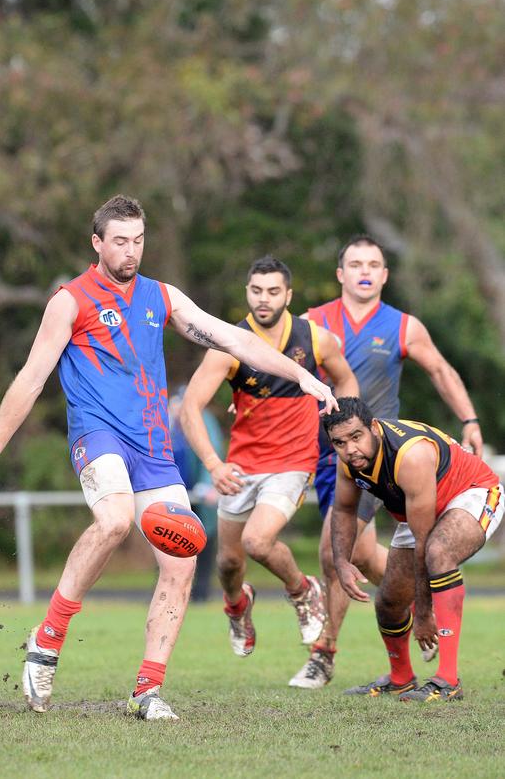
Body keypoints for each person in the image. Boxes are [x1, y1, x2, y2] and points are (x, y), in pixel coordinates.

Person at [0, 196, 337, 721]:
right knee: (114, 520)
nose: (131, 251)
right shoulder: (69, 301)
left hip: (154, 447)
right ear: (97, 242)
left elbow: (230, 336)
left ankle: (146, 690)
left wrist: (301, 375)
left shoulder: (160, 296)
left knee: (181, 562)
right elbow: (30, 379)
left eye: (138, 240)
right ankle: (46, 642)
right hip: (98, 434)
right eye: (120, 240)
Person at [289, 234, 484, 688]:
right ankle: (413, 592)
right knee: (364, 557)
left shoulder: (402, 326)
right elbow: (277, 368)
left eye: (373, 264)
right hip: (322, 452)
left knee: (331, 549)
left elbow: (439, 369)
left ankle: (325, 652)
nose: (364, 270)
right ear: (340, 274)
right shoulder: (312, 322)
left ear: (384, 275)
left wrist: (469, 418)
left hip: (380, 458)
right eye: (355, 263)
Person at [180, 255, 357, 658]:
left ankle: (301, 590)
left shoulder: (314, 339)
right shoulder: (229, 344)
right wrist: (214, 464)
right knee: (228, 564)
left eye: (274, 291)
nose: (264, 299)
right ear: (247, 292)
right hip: (242, 466)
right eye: (257, 290)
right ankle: (237, 607)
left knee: (258, 542)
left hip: (294, 462)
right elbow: (190, 406)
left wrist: (346, 426)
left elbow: (345, 378)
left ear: (288, 295)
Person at [326, 396, 502, 702]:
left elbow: (423, 542)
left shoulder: (411, 456)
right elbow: (342, 511)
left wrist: (423, 612)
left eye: (356, 437)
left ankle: (448, 680)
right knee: (390, 601)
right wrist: (341, 561)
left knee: (438, 552)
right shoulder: (349, 463)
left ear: (374, 428)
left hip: (472, 493)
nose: (350, 449)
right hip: (421, 509)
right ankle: (401, 679)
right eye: (340, 443)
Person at [168, 388, 222, 602]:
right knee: (167, 541)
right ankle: (168, 591)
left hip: (199, 496)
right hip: (173, 494)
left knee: (204, 541)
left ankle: (200, 593)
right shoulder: (166, 422)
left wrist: (208, 483)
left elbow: (213, 449)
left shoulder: (203, 420)